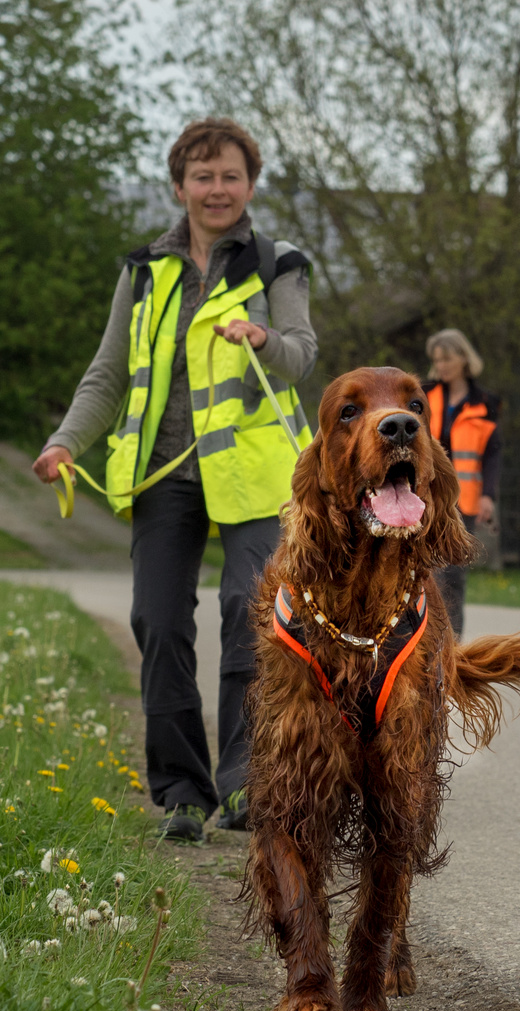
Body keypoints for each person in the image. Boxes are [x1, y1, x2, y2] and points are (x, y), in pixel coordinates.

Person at [33, 117, 317, 841]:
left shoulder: (277, 261)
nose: (216, 188)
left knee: (249, 612)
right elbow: (107, 376)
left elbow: (302, 357)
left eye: (229, 175)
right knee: (157, 622)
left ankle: (248, 781)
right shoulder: (144, 271)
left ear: (249, 184)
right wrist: (66, 442)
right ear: (180, 185)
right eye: (202, 175)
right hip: (163, 474)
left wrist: (263, 337)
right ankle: (182, 790)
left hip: (257, 472)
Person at [423, 329, 501, 638]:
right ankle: (419, 641)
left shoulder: (485, 402)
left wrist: (489, 495)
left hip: (464, 499)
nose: (441, 365)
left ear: (463, 359)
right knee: (423, 567)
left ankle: (452, 643)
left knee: (454, 572)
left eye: (447, 358)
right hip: (423, 496)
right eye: (437, 360)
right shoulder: (423, 394)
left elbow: (493, 453)